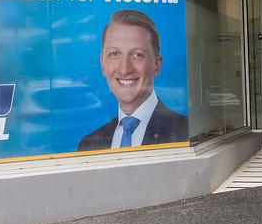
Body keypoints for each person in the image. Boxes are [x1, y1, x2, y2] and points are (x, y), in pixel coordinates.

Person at [78, 9, 188, 151]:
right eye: (114, 54)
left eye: (137, 55)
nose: (125, 69)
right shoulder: (89, 144)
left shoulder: (184, 133)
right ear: (103, 64)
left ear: (157, 65)